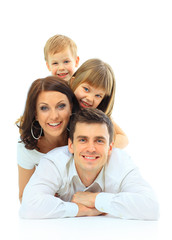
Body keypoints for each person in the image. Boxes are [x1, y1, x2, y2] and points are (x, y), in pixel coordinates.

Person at [19, 108, 159, 220]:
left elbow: (151, 207)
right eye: (83, 140)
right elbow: (28, 206)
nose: (91, 149)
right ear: (71, 145)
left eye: (99, 140)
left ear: (110, 147)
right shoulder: (54, 162)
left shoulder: (121, 162)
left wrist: (94, 199)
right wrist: (79, 210)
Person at [16, 76, 80, 202]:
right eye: (44, 108)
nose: (54, 116)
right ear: (35, 113)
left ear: (71, 107)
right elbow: (24, 198)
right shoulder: (27, 146)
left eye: (61, 106)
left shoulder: (82, 134)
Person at [69, 58, 129, 148]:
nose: (90, 98)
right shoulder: (61, 104)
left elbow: (123, 139)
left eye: (98, 95)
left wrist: (101, 147)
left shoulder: (96, 115)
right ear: (73, 82)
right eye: (86, 89)